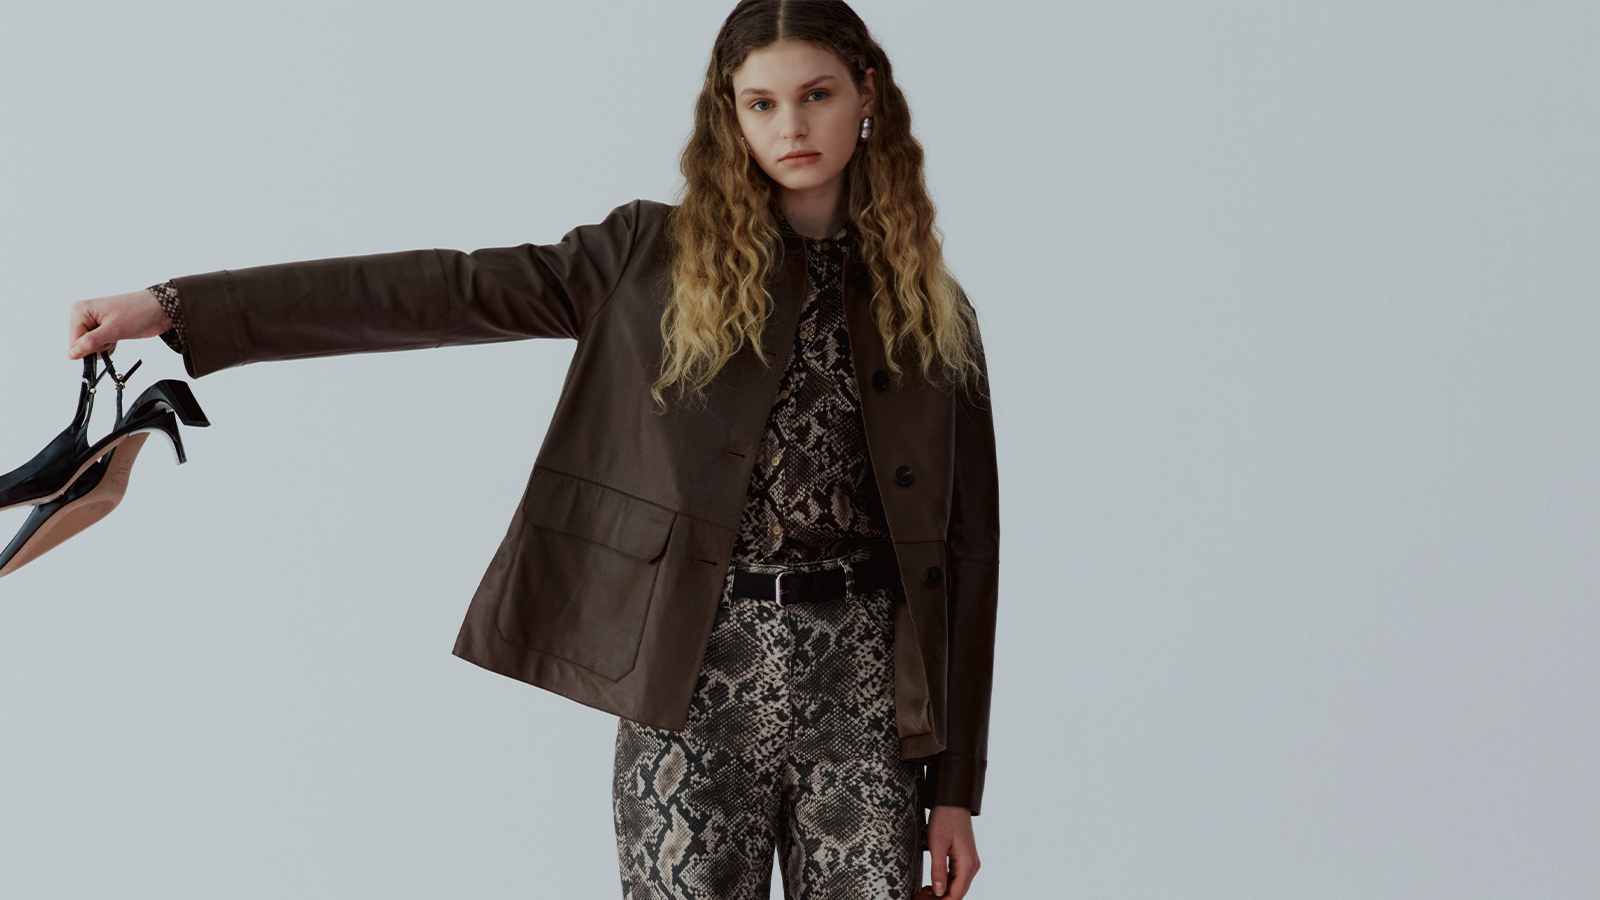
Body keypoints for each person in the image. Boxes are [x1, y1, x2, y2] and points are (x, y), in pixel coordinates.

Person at [64, 1, 997, 898]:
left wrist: (955, 790)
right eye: (762, 102)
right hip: (685, 672)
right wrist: (178, 307)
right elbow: (443, 291)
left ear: (866, 92)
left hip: (865, 692)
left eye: (816, 94)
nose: (790, 125)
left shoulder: (929, 307)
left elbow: (967, 552)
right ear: (730, 114)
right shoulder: (645, 255)